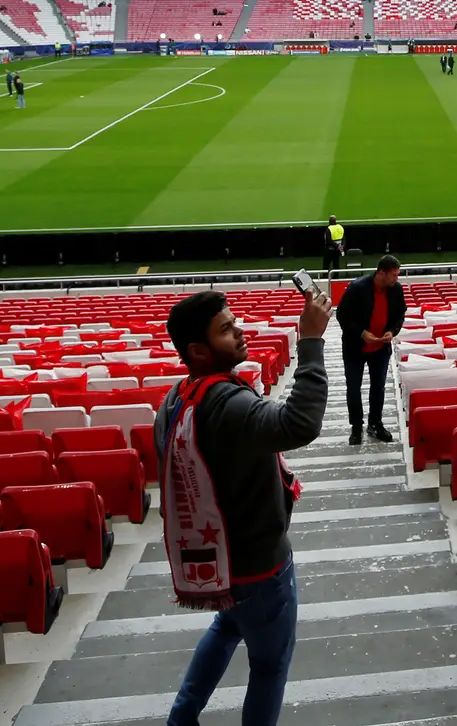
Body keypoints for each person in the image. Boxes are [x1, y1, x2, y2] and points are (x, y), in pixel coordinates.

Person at [155, 282, 331, 726]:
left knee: (228, 626)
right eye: (226, 329)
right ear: (198, 350)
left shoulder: (176, 400)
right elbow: (298, 424)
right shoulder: (228, 404)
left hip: (221, 564)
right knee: (269, 667)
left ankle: (181, 718)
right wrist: (310, 340)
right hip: (260, 568)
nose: (240, 331)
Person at [336, 255, 405, 445]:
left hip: (381, 348)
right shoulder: (358, 288)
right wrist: (361, 333)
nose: (396, 279)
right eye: (394, 275)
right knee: (353, 387)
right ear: (381, 273)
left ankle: (375, 424)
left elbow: (400, 314)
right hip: (355, 347)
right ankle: (356, 426)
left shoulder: (396, 290)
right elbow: (342, 315)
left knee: (378, 387)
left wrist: (392, 331)